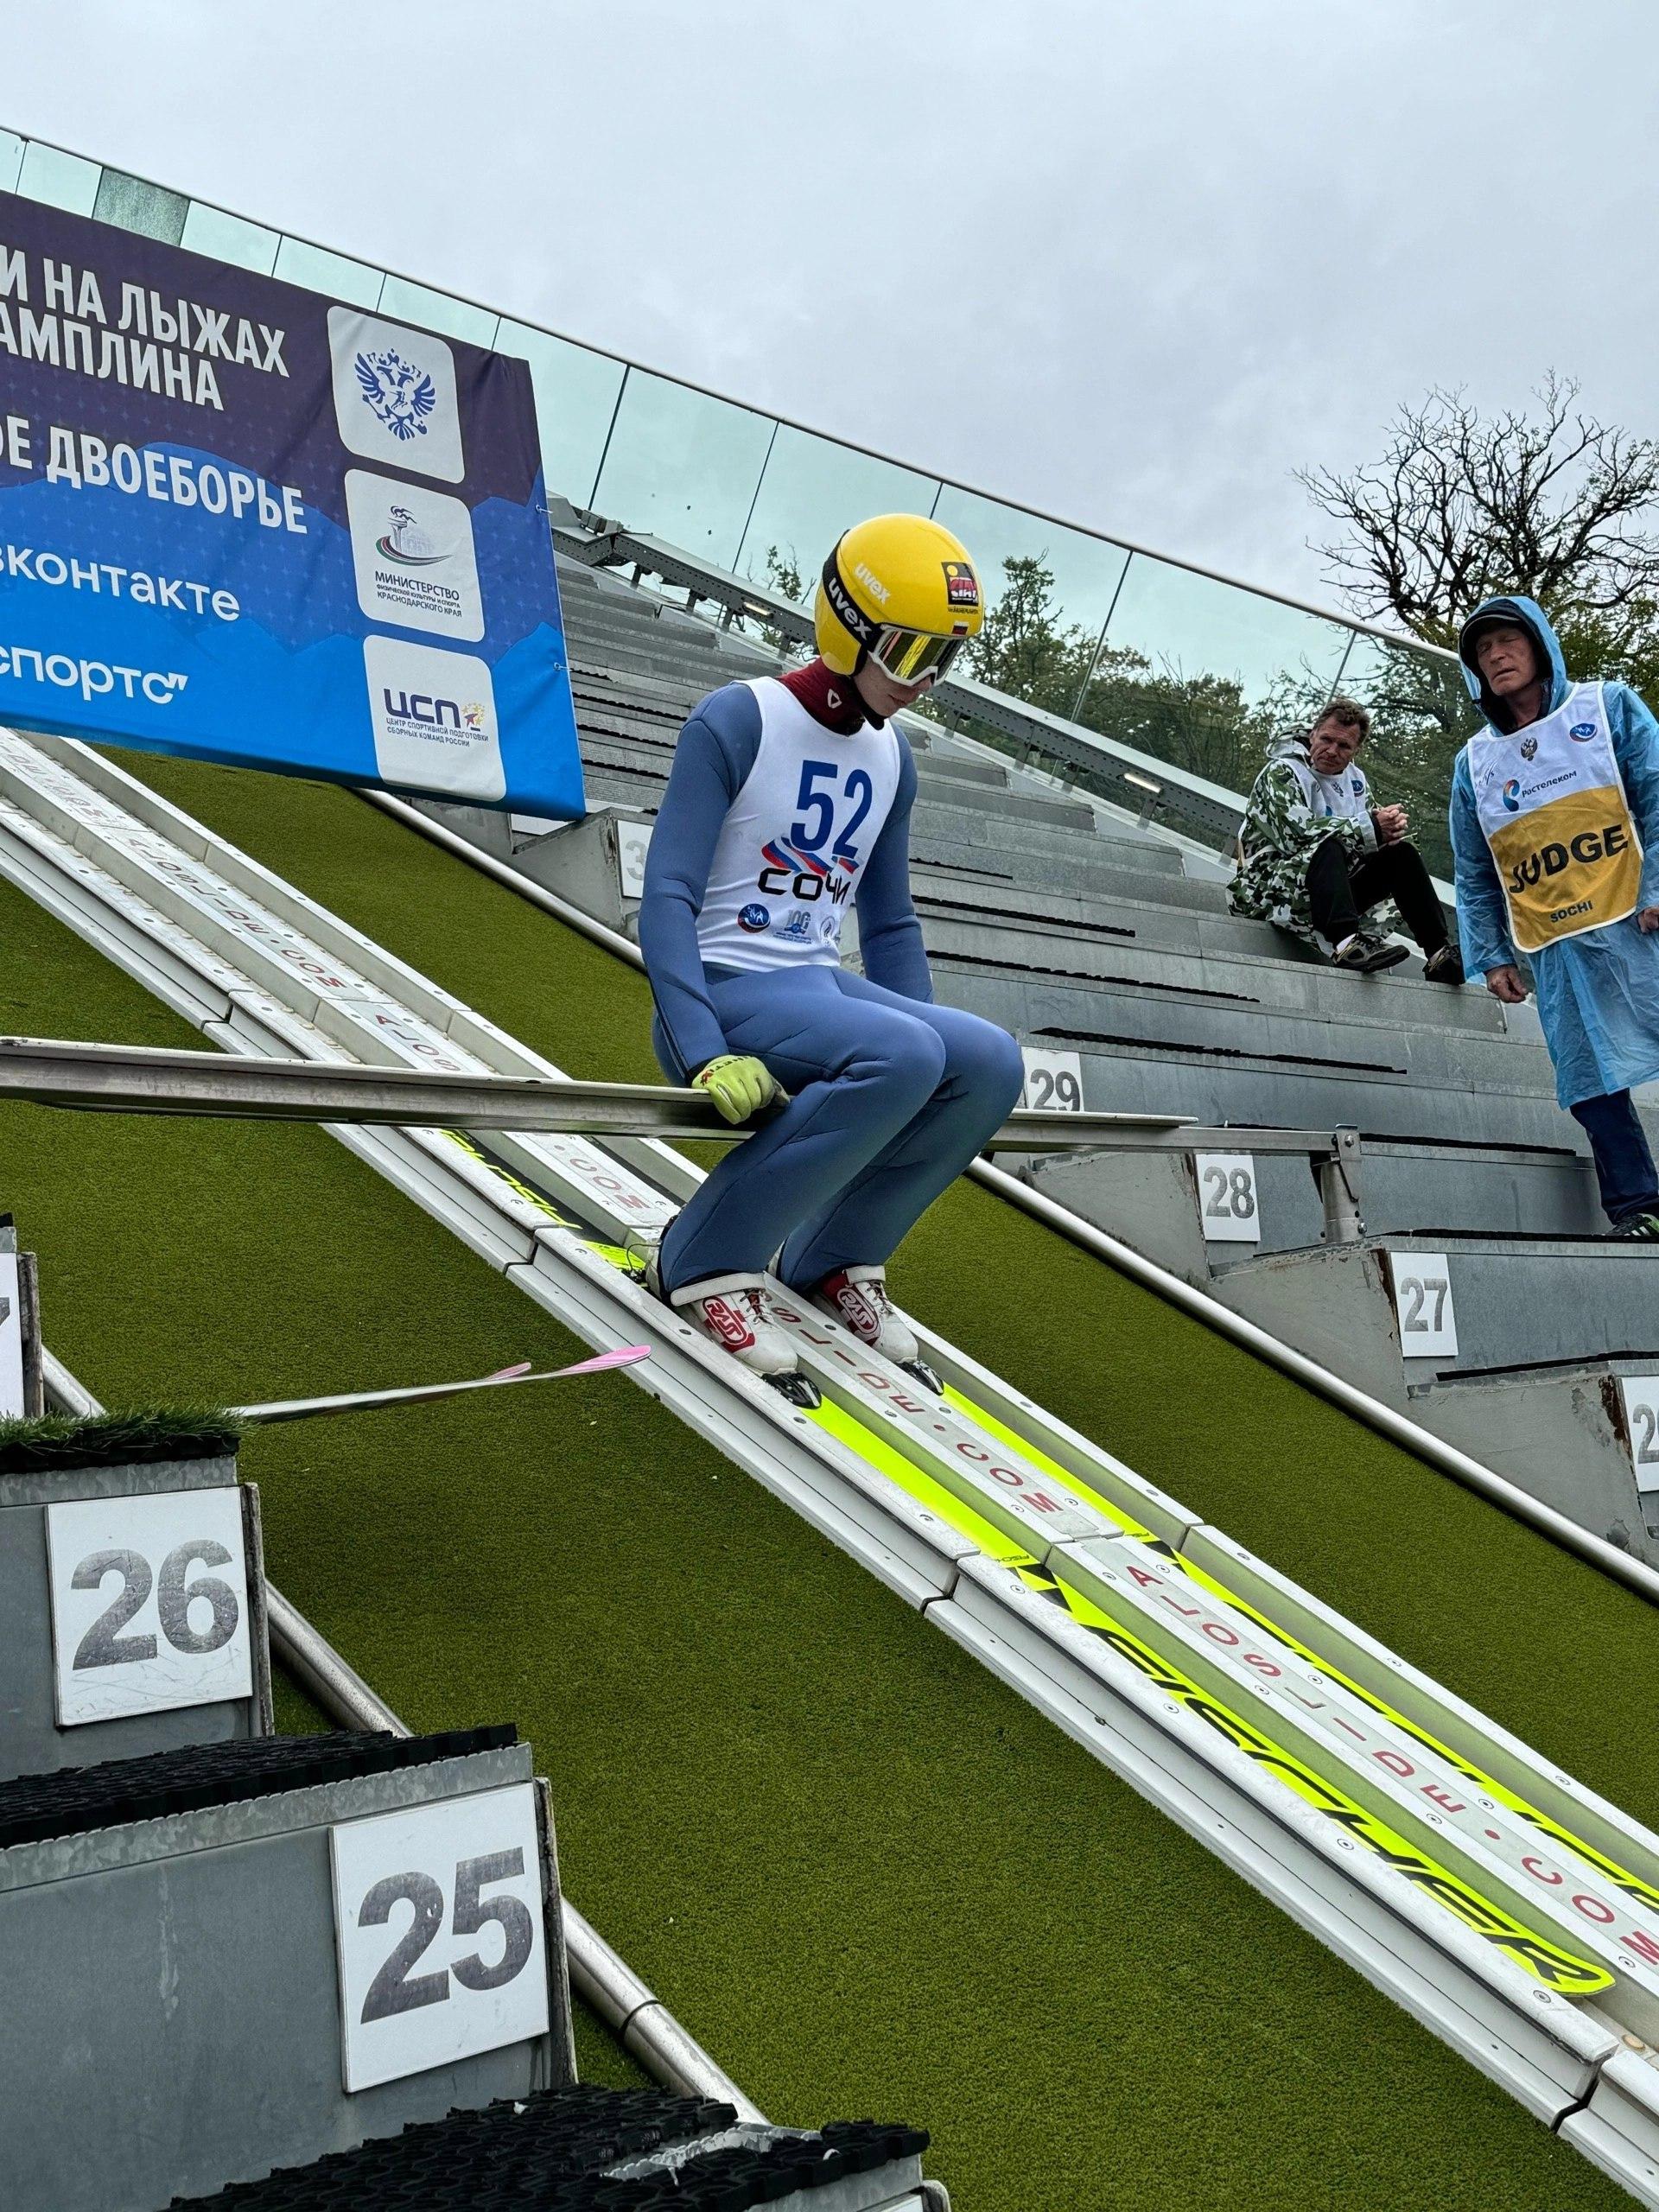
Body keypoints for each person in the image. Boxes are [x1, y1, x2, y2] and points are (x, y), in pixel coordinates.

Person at [636, 513, 1026, 1401]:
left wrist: (930, 1050)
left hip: (816, 992)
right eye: (907, 653)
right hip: (727, 992)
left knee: (988, 1060)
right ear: (847, 625)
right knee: (906, 1051)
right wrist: (701, 1046)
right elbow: (667, 897)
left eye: (944, 660)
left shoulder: (894, 759)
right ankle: (699, 1261)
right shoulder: (739, 719)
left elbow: (890, 926)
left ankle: (835, 1257)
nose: (923, 683)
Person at [1449, 594, 1659, 1241]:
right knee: (1589, 1076)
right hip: (1556, 942)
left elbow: (1657, 795)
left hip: (1638, 919)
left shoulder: (1608, 706)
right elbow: (1474, 867)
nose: (1497, 656)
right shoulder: (1474, 764)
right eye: (1484, 651)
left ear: (1540, 645)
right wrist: (1490, 955)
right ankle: (1637, 1206)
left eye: (1508, 641)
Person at [1231, 697, 1463, 979]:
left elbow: (1367, 835)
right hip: (1267, 892)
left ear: (1356, 750)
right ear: (1313, 733)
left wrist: (1387, 833)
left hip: (1328, 892)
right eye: (1326, 739)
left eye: (1344, 746)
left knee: (1400, 854)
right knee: (1327, 846)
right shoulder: (1281, 772)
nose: (1331, 751)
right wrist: (1369, 828)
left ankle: (1439, 953)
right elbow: (1297, 837)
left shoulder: (1356, 781)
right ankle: (1346, 946)